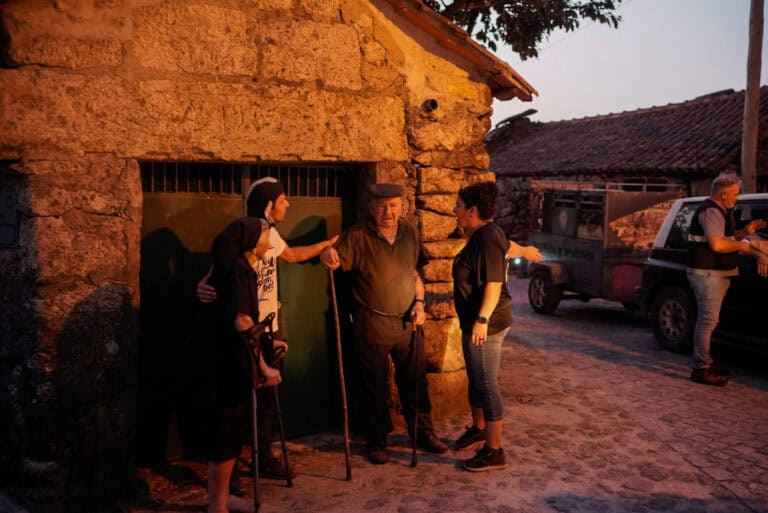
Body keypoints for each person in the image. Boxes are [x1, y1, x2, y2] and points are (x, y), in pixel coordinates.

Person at [197, 177, 338, 480]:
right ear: (268, 204)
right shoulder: (247, 234)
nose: (289, 204)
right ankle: (229, 470)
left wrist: (325, 245)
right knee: (236, 402)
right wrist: (202, 286)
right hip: (244, 330)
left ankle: (263, 457)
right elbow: (216, 271)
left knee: (265, 404)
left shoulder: (269, 234)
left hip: (267, 329)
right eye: (283, 199)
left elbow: (292, 255)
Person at [320, 183, 449, 464]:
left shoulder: (410, 232)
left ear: (401, 206)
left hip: (408, 321)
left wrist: (419, 303)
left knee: (415, 380)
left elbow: (416, 273)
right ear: (370, 208)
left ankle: (423, 433)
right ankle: (377, 440)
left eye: (392, 205)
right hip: (371, 322)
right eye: (381, 206)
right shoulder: (357, 235)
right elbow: (333, 259)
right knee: (373, 384)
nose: (387, 212)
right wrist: (328, 255)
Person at [450, 181, 541, 472]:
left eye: (459, 206)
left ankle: (494, 451)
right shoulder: (488, 233)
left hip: (486, 324)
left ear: (472, 211)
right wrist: (525, 250)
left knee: (486, 384)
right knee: (477, 379)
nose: (455, 210)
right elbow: (507, 247)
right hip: (477, 322)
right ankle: (479, 430)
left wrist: (481, 320)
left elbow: (493, 282)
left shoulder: (486, 237)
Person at [201, 217, 283, 513]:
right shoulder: (238, 271)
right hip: (227, 365)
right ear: (250, 239)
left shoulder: (236, 267)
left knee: (228, 436)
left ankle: (221, 499)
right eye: (265, 236)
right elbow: (242, 320)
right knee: (224, 437)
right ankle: (217, 507)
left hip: (224, 362)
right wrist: (263, 366)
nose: (268, 242)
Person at [686, 173, 768, 387]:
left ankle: (705, 361)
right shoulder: (712, 211)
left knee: (709, 320)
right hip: (708, 274)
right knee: (707, 321)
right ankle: (701, 369)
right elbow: (718, 245)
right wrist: (748, 247)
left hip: (714, 273)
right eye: (735, 193)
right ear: (723, 194)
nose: (737, 197)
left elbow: (726, 239)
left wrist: (745, 232)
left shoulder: (720, 211)